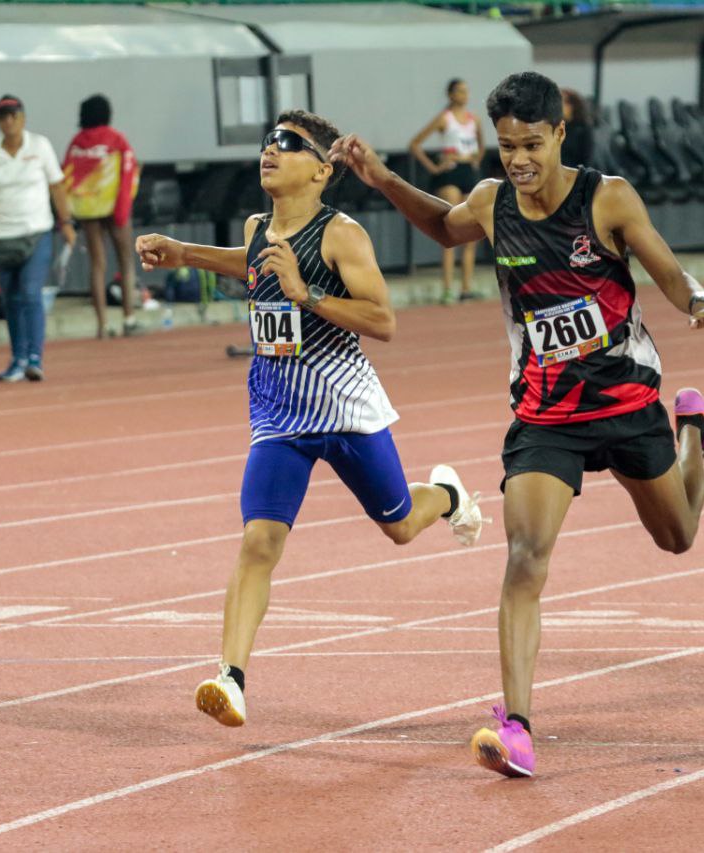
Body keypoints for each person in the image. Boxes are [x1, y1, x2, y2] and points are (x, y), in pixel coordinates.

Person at [331, 71, 704, 778]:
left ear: (559, 133)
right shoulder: (493, 202)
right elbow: (440, 223)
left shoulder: (606, 197)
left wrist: (702, 303)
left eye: (530, 144)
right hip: (546, 415)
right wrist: (382, 178)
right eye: (506, 146)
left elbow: (668, 270)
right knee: (525, 555)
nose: (517, 159)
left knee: (678, 536)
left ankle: (689, 433)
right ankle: (515, 724)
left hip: (624, 404)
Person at [135, 110, 485, 728]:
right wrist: (180, 252)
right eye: (268, 142)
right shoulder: (257, 227)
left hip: (345, 408)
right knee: (258, 542)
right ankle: (231, 678)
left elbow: (385, 322)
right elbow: (246, 261)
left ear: (324, 171)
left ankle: (450, 495)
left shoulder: (341, 235)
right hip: (279, 412)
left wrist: (307, 295)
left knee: (401, 525)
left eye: (290, 145)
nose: (271, 151)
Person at [0, 94, 76, 382]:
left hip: (35, 231)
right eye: (3, 117)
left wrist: (65, 222)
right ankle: (18, 358)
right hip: (2, 235)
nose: (9, 121)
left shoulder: (39, 146)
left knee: (30, 293)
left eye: (14, 115)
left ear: (23, 118)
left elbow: (57, 186)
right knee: (10, 299)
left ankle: (35, 358)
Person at [63, 94, 141, 338]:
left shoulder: (76, 143)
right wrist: (122, 211)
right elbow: (128, 173)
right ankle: (129, 319)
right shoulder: (116, 139)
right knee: (126, 261)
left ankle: (102, 324)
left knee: (97, 264)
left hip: (88, 209)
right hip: (115, 207)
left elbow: (66, 175)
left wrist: (69, 211)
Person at [409, 79, 485, 303]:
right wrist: (435, 167)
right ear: (451, 94)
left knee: (472, 231)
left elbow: (481, 144)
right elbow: (415, 144)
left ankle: (466, 287)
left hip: (468, 172)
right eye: (460, 91)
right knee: (452, 230)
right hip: (449, 174)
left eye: (466, 90)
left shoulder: (474, 119)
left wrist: (475, 159)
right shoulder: (445, 118)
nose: (465, 94)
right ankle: (448, 288)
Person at [560, 87, 593, 169]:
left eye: (564, 102)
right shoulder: (555, 126)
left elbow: (586, 160)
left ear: (573, 106)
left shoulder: (582, 129)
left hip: (574, 174)